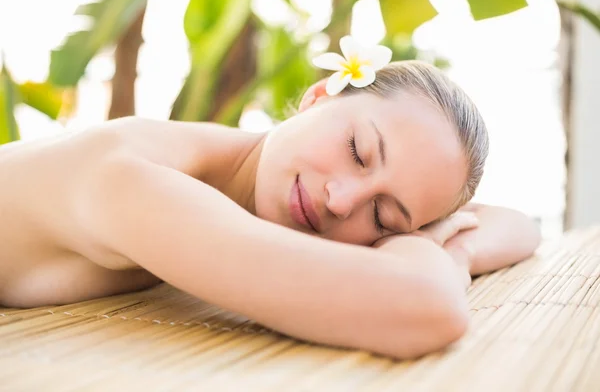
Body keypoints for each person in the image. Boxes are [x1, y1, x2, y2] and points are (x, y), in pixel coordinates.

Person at [0, 54, 540, 359]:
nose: (342, 199)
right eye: (358, 151)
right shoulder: (134, 178)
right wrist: (432, 249)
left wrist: (437, 241)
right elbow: (429, 310)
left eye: (382, 217)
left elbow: (518, 226)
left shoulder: (233, 171)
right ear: (318, 95)